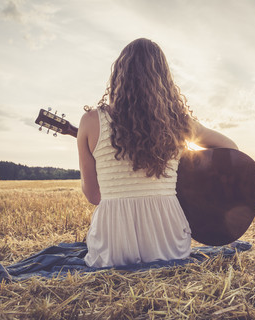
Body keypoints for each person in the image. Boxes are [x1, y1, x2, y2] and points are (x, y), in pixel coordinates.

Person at [77, 38, 238, 268]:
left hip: (112, 250)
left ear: (118, 75)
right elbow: (230, 147)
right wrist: (191, 176)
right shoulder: (179, 123)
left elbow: (94, 197)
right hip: (169, 246)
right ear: (163, 80)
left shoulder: (90, 122)